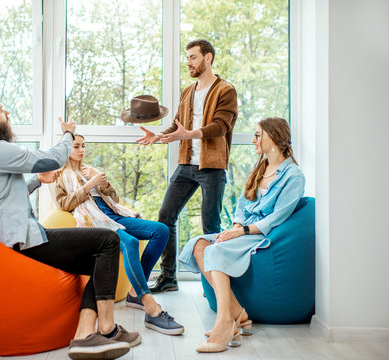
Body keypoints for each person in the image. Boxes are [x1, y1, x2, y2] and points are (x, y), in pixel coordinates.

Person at [0, 89, 140, 360]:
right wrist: (68, 134)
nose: (6, 113)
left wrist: (35, 181)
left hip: (19, 236)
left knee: (97, 263)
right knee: (108, 241)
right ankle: (108, 328)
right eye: (0, 110)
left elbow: (1, 195)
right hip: (22, 241)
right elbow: (52, 159)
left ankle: (84, 336)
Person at [178, 117, 305, 353]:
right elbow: (242, 207)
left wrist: (242, 231)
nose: (253, 140)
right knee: (199, 244)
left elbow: (276, 218)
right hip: (244, 231)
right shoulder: (260, 168)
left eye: (258, 135)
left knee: (215, 249)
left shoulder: (293, 176)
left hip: (265, 236)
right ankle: (239, 314)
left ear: (274, 138)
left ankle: (225, 322)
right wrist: (234, 228)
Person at [54, 132, 185, 336]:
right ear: (66, 149)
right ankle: (148, 303)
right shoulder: (61, 175)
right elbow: (63, 203)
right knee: (130, 243)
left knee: (161, 230)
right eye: (76, 146)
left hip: (113, 215)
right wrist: (89, 185)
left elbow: (114, 198)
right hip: (94, 221)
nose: (81, 150)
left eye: (83, 146)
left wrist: (102, 183)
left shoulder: (90, 171)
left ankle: (134, 292)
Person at [136, 39, 238, 293]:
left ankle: (214, 285)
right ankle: (169, 277)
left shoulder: (226, 90)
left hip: (212, 167)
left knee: (210, 227)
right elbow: (178, 125)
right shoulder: (187, 92)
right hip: (186, 165)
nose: (188, 62)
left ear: (208, 58)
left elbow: (220, 127)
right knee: (165, 217)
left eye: (193, 57)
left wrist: (188, 135)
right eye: (188, 58)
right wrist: (159, 136)